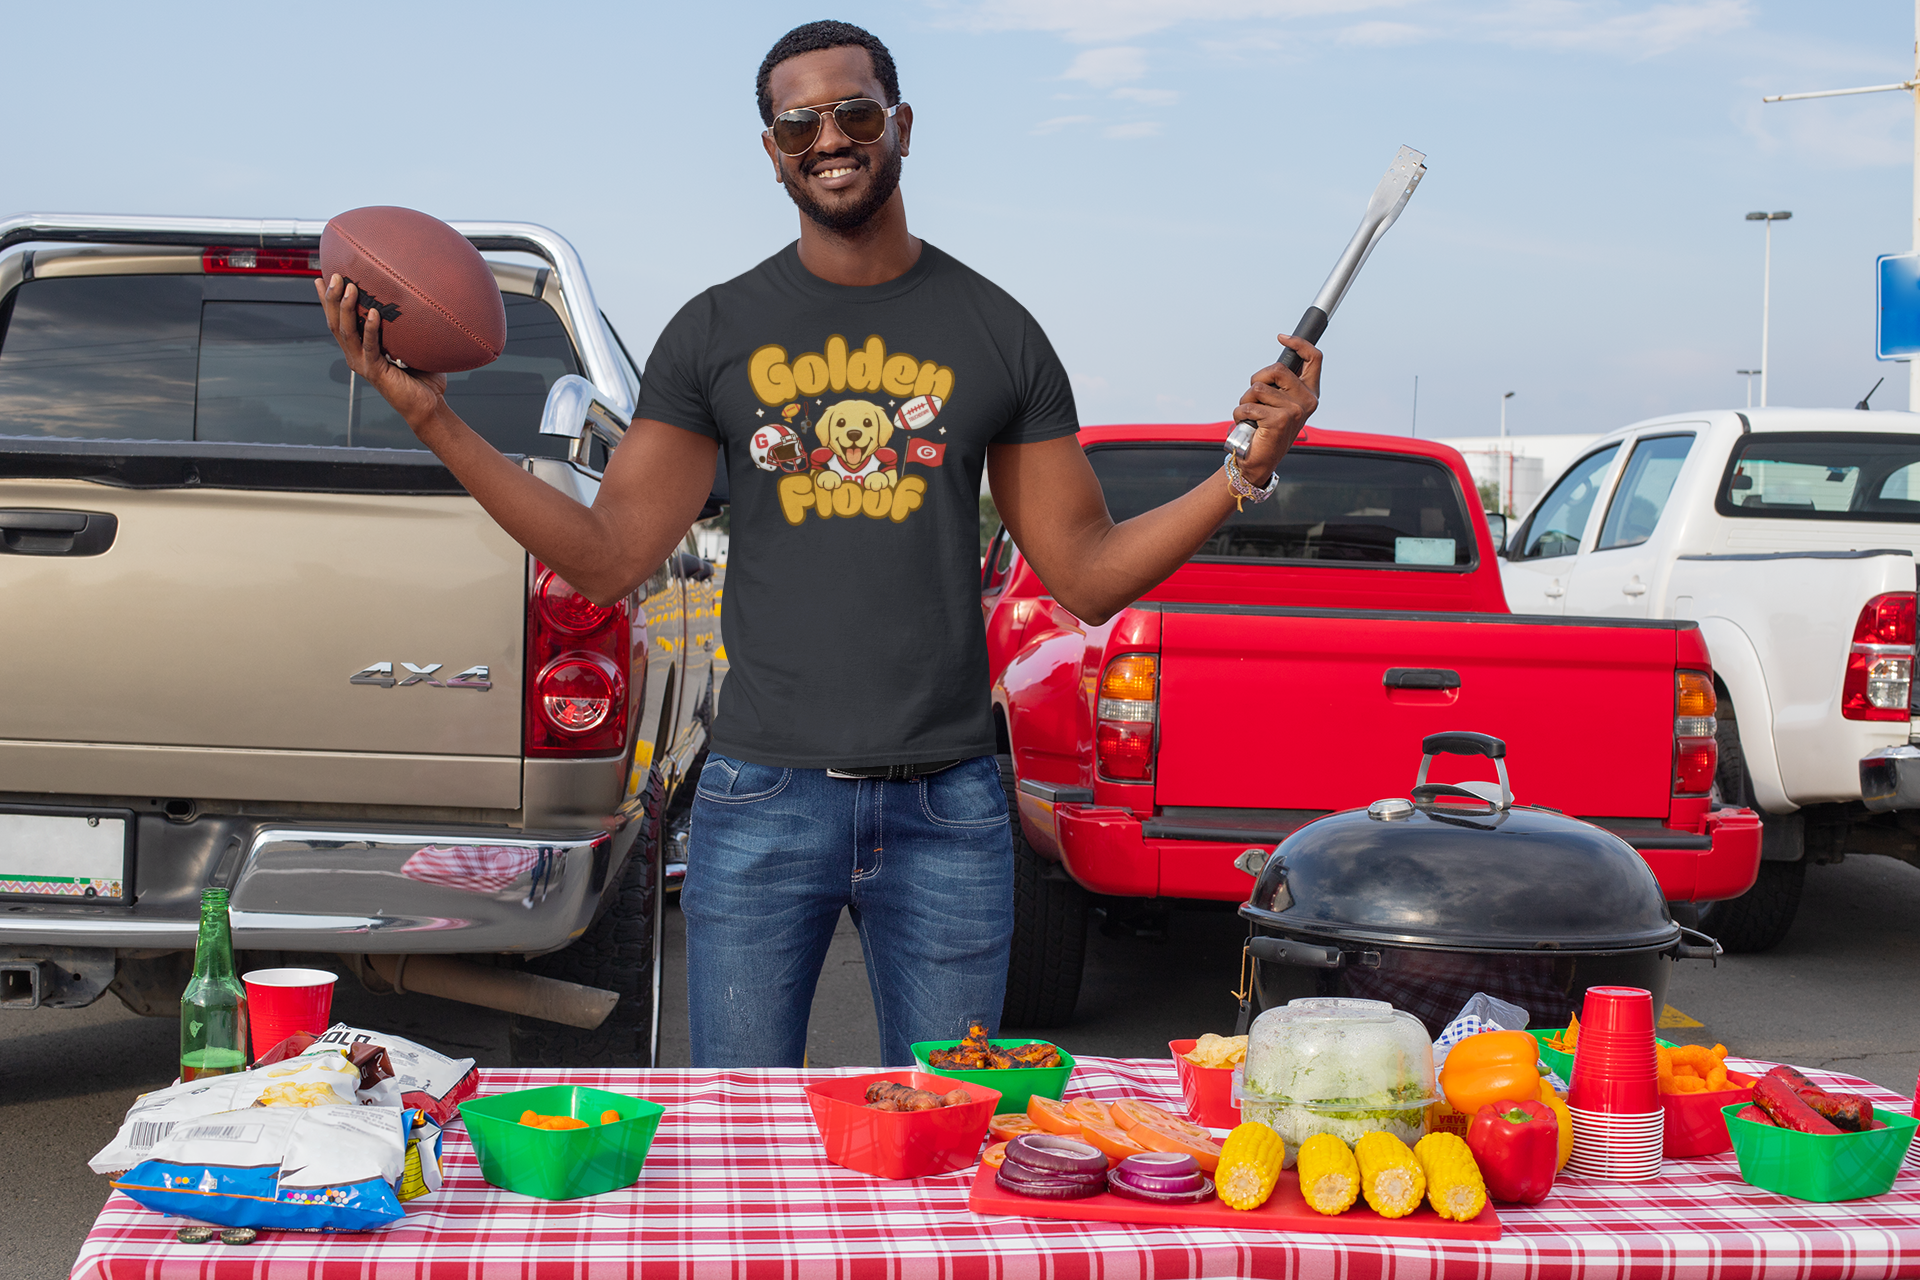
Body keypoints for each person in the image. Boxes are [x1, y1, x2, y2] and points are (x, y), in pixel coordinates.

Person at [318, 19, 1320, 1068]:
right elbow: (608, 558)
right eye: (800, 124)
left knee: (945, 1129)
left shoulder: (996, 332)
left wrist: (1242, 471)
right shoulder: (715, 333)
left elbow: (1087, 574)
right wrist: (432, 417)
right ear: (772, 152)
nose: (830, 139)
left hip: (947, 807)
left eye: (855, 113)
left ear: (903, 125)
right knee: (744, 1132)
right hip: (765, 796)